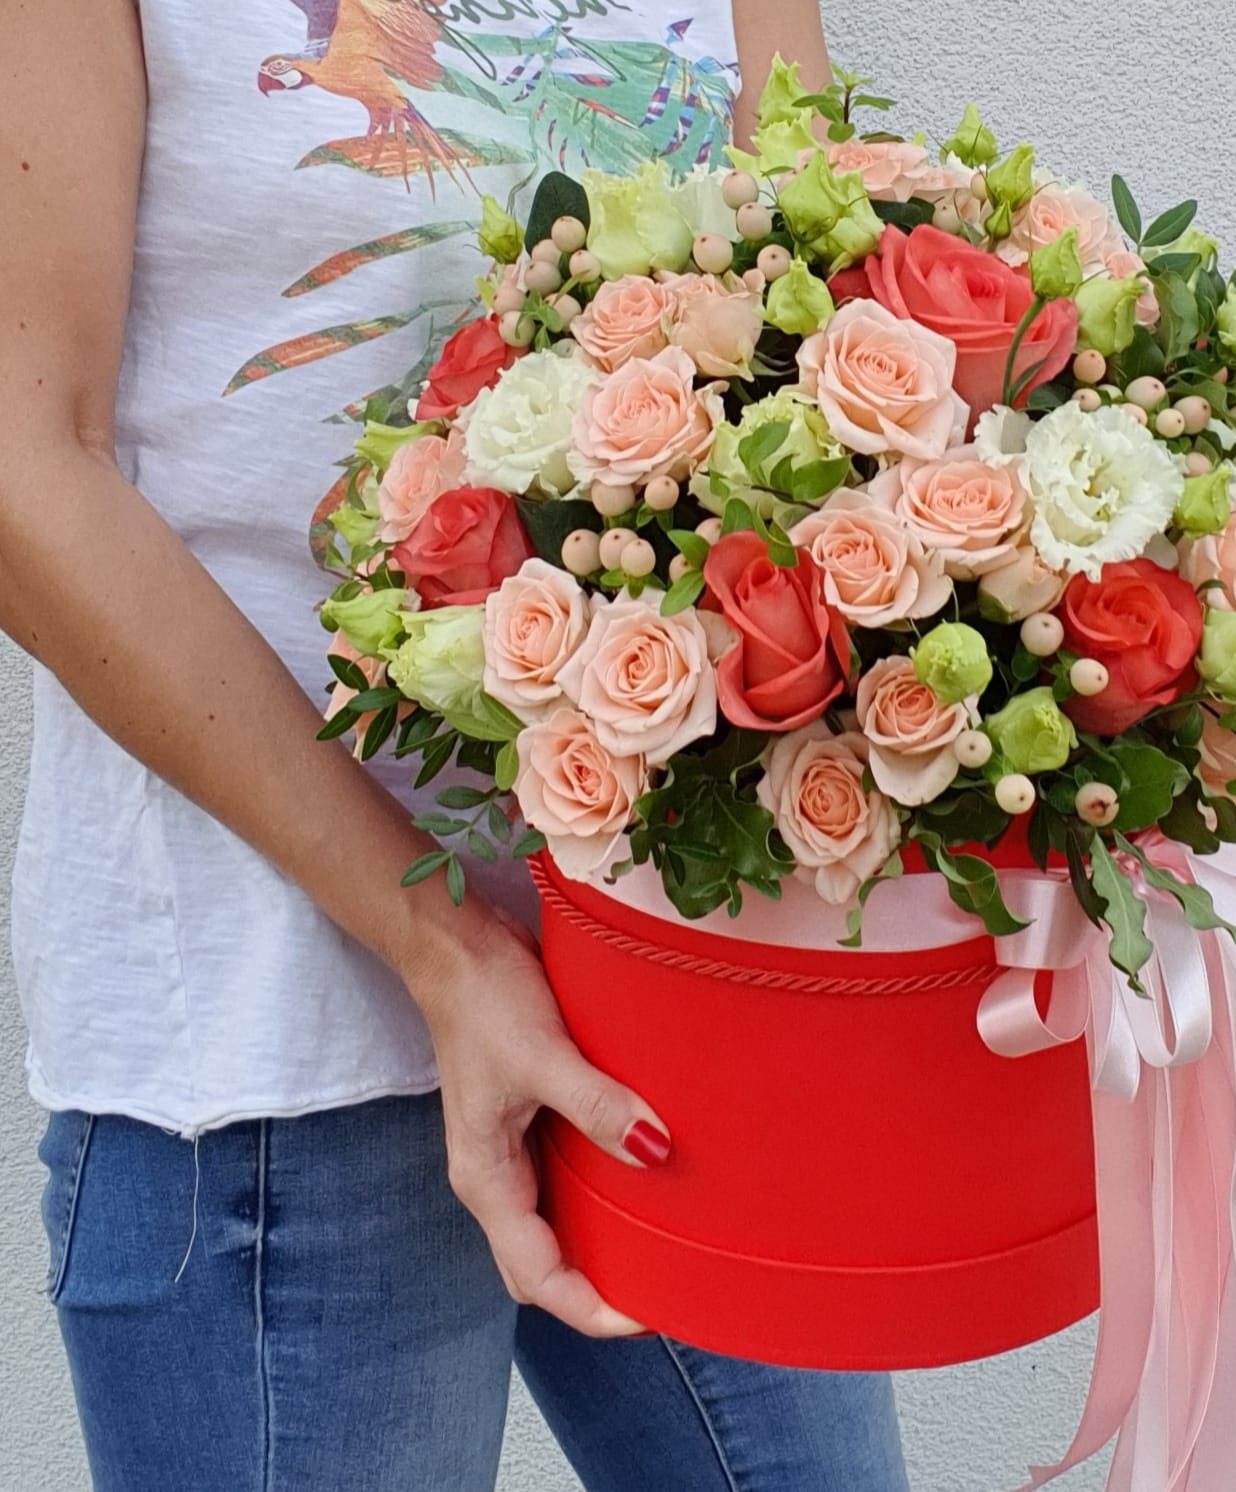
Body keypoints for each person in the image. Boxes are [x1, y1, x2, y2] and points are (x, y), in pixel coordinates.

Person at [0, 2, 911, 1488]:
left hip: (675, 990)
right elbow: (20, 465)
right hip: (284, 1048)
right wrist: (441, 946)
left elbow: (811, 324)